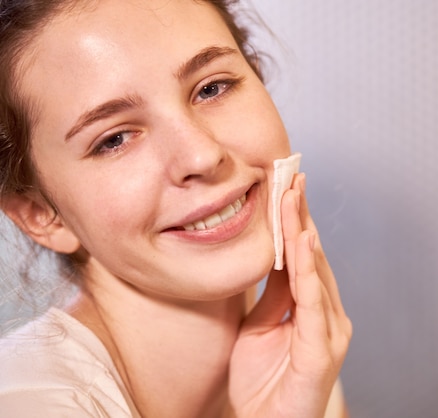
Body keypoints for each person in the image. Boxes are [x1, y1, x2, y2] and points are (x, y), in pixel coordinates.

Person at [0, 0, 352, 416]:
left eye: (212, 88)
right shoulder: (29, 404)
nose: (202, 156)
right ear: (41, 214)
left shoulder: (298, 363)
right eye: (114, 139)